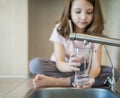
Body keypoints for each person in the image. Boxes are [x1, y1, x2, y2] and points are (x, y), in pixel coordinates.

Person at [29, 0, 110, 89]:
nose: (83, 17)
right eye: (78, 11)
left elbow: (95, 67)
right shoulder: (60, 29)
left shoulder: (97, 34)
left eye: (89, 12)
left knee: (112, 73)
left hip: (85, 71)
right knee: (35, 64)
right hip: (62, 69)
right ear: (69, 11)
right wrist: (69, 66)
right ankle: (74, 80)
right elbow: (59, 62)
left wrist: (89, 77)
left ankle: (56, 82)